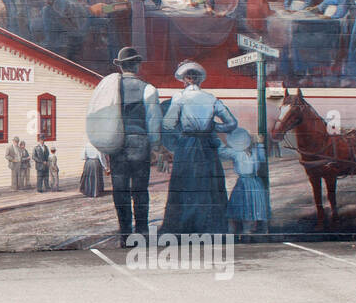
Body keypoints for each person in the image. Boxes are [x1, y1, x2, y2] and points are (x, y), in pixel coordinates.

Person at [161, 61, 237, 235]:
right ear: (199, 80)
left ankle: (184, 228)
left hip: (187, 145)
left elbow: (168, 124)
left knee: (185, 184)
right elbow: (232, 123)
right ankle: (210, 227)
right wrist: (213, 127)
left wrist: (182, 126)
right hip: (206, 146)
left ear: (185, 80)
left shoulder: (179, 97)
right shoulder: (211, 98)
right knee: (209, 185)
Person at [104, 47, 163, 243]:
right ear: (137, 65)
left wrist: (103, 146)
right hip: (139, 144)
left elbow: (102, 117)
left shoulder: (110, 89)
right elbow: (154, 122)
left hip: (117, 143)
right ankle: (142, 231)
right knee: (140, 189)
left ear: (121, 67)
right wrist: (155, 146)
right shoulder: (149, 89)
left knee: (119, 190)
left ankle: (124, 234)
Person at [220, 128, 270, 235]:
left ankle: (252, 229)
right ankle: (237, 230)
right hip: (243, 183)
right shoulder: (236, 153)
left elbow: (262, 159)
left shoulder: (255, 151)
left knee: (254, 205)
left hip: (254, 182)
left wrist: (260, 144)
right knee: (240, 205)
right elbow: (221, 152)